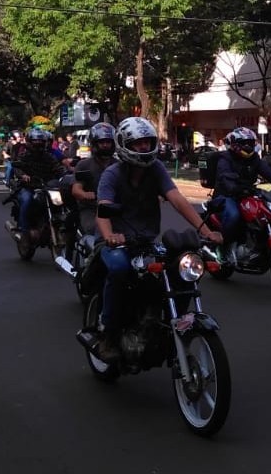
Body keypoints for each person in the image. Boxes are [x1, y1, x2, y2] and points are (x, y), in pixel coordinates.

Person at [94, 117, 222, 359]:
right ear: (124, 145)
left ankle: (164, 324)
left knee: (180, 269)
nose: (144, 147)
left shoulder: (156, 170)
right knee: (120, 269)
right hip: (116, 243)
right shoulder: (112, 174)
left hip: (147, 242)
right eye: (138, 143)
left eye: (147, 142)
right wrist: (110, 235)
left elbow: (177, 199)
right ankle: (108, 334)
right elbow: (103, 210)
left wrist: (206, 231)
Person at [211, 127, 271, 255]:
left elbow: (269, 173)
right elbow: (225, 177)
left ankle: (258, 244)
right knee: (234, 215)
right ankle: (223, 246)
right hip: (226, 195)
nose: (247, 146)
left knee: (265, 212)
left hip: (247, 193)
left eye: (250, 143)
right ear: (235, 144)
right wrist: (234, 187)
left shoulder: (254, 159)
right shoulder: (225, 158)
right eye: (243, 143)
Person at [10, 129, 67, 250]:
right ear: (30, 142)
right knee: (27, 200)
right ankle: (25, 233)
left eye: (40, 142)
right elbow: (17, 167)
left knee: (60, 200)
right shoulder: (24, 155)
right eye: (35, 142)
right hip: (29, 187)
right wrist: (23, 175)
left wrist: (66, 175)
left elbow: (58, 168)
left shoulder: (49, 157)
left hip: (46, 187)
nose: (38, 144)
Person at [71, 123, 117, 237]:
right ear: (94, 144)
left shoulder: (119, 165)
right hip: (90, 209)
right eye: (102, 142)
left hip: (115, 209)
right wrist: (86, 195)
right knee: (95, 230)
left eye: (108, 142)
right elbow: (76, 190)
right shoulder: (84, 165)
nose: (106, 145)